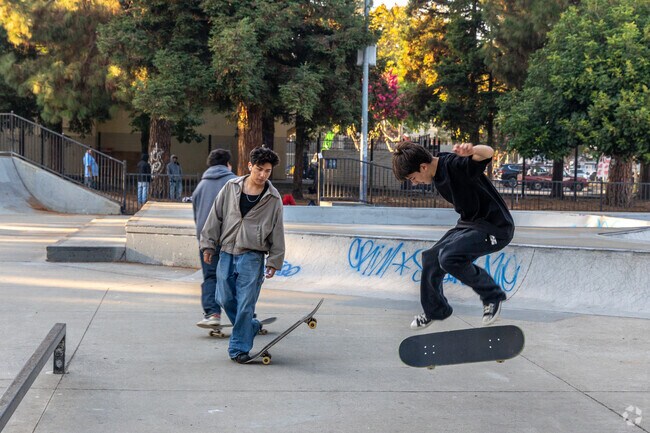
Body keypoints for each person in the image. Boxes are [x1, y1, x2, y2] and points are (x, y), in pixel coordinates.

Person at [391, 141, 515, 328]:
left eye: (412, 177)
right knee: (431, 257)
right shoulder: (438, 167)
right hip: (469, 224)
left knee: (449, 257)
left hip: (495, 227)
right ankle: (436, 309)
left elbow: (488, 153)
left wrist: (472, 150)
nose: (414, 182)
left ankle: (492, 296)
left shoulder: (455, 166)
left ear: (423, 167)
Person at [200, 147, 285, 363]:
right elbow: (215, 216)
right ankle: (251, 326)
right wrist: (208, 245)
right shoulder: (231, 187)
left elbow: (277, 230)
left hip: (253, 256)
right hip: (227, 251)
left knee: (246, 303)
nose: (263, 175)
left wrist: (275, 260)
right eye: (259, 169)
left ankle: (238, 349)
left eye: (268, 171)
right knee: (224, 297)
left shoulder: (273, 198)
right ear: (249, 166)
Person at [191, 149, 237, 328]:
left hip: (206, 240)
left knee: (210, 276)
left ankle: (212, 314)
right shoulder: (234, 182)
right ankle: (243, 314)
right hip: (229, 239)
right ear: (228, 164)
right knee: (233, 278)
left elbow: (197, 215)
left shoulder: (200, 186)